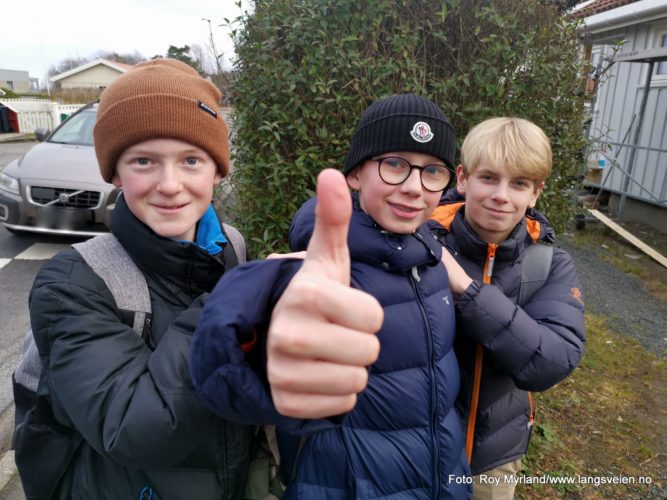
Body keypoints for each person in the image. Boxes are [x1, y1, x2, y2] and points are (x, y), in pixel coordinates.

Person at [191, 94, 471, 499]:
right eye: (394, 164)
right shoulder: (326, 267)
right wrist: (260, 326)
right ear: (355, 175)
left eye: (432, 171)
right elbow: (228, 358)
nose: (414, 188)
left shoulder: (432, 259)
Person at [16, 58, 258, 499]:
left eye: (191, 160)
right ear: (114, 172)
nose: (170, 184)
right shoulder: (74, 281)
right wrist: (236, 303)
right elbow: (133, 427)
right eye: (144, 160)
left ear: (218, 170)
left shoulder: (232, 246)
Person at [431, 117, 586, 499]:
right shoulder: (422, 241)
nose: (501, 195)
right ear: (463, 179)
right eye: (489, 178)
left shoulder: (548, 264)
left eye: (518, 183)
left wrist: (467, 291)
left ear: (536, 193)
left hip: (494, 458)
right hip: (417, 447)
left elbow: (552, 360)